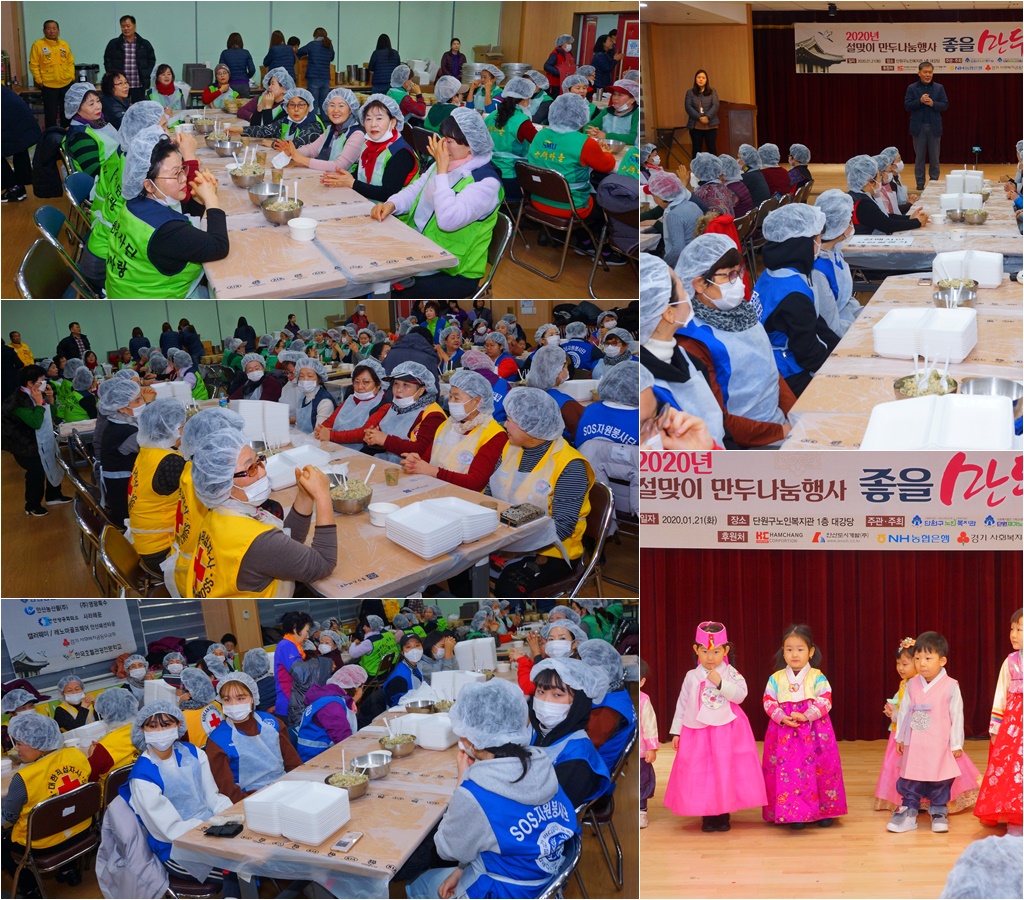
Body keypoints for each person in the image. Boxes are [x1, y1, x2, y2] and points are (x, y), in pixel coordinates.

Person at [406, 679, 578, 899]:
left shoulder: (475, 794)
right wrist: (463, 870)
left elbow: (447, 849)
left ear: (474, 741)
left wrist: (461, 785)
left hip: (503, 890)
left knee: (417, 884)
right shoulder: (542, 764)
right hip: (543, 879)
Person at [188, 430, 338, 598]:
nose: (263, 472)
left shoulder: (221, 514)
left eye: (259, 461)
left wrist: (305, 496)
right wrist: (323, 495)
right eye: (251, 468)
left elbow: (285, 544)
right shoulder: (255, 541)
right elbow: (324, 564)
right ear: (223, 485)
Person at [676, 234, 793, 447]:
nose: (738, 281)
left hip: (776, 423)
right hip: (744, 440)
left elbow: (770, 371)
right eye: (729, 275)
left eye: (739, 272)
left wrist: (794, 414)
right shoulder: (692, 341)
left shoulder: (743, 314)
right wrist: (781, 432)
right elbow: (716, 418)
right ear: (700, 284)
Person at [479, 388, 593, 596]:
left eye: (510, 420)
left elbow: (562, 527)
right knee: (460, 565)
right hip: (505, 537)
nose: (504, 424)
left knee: (510, 586)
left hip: (551, 549)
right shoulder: (510, 447)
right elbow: (489, 493)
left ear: (530, 427)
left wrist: (515, 547)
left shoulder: (570, 465)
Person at [664, 621, 765, 832]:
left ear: (725, 651)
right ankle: (708, 814)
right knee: (701, 771)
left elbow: (741, 695)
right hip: (697, 730)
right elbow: (682, 702)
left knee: (724, 769)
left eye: (716, 651)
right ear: (696, 650)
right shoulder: (691, 676)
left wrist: (720, 683)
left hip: (725, 730)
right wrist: (676, 731)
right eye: (705, 651)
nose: (710, 657)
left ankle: (724, 812)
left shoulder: (731, 673)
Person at [107, 128, 229, 298]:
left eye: (182, 169)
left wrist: (198, 201)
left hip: (127, 292)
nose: (184, 178)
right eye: (175, 174)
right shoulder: (166, 230)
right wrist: (211, 200)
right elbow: (219, 247)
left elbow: (182, 221)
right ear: (148, 185)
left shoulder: (135, 202)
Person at [122, 702, 233, 887]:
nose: (160, 731)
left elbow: (211, 796)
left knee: (248, 857)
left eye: (166, 724)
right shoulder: (143, 776)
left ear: (178, 725)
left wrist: (230, 815)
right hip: (175, 848)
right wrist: (213, 830)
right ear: (142, 730)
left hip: (212, 828)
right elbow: (170, 829)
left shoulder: (193, 753)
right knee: (236, 871)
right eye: (152, 726)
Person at [888, 632, 977, 835]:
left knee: (940, 778)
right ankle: (909, 811)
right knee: (911, 776)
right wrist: (900, 737)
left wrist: (956, 744)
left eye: (928, 658)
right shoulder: (912, 684)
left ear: (942, 660)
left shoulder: (951, 686)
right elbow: (904, 712)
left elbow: (957, 716)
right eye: (918, 658)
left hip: (939, 743)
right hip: (915, 743)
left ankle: (938, 811)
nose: (922, 664)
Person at [762, 624, 847, 828]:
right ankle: (794, 812)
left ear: (810, 652)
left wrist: (807, 715)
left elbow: (826, 700)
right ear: (783, 652)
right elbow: (768, 701)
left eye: (800, 649)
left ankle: (825, 810)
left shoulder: (817, 676)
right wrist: (782, 717)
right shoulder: (776, 678)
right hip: (784, 730)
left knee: (821, 767)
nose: (794, 654)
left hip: (815, 730)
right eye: (789, 649)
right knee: (789, 770)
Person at [751, 203, 840, 398]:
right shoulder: (793, 296)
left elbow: (813, 321)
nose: (820, 243)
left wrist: (840, 348)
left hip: (775, 359)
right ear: (803, 244)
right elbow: (808, 354)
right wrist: (839, 367)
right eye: (818, 238)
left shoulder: (774, 273)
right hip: (785, 374)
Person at [639, 254, 724, 447]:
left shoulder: (685, 357)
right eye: (683, 289)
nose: (689, 295)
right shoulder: (649, 394)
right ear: (669, 313)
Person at [2, 713, 91, 893]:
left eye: (19, 743)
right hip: (81, 829)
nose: (15, 748)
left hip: (42, 845)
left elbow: (9, 816)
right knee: (63, 811)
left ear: (38, 744)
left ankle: (30, 889)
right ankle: (69, 870)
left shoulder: (24, 778)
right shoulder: (76, 754)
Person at [401, 369, 507, 492]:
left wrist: (432, 471)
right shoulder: (448, 424)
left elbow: (475, 482)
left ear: (477, 401)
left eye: (456, 398)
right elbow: (428, 458)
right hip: (434, 488)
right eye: (450, 396)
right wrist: (416, 463)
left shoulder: (494, 434)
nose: (451, 402)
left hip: (465, 497)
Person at [527, 93, 616, 236]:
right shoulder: (584, 142)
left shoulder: (540, 135)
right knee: (607, 204)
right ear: (582, 115)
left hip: (538, 200)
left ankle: (556, 235)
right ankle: (586, 241)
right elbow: (607, 166)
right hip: (573, 207)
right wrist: (606, 152)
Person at [204, 673, 301, 803]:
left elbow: (293, 763)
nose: (234, 704)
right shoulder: (218, 740)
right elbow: (227, 791)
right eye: (227, 700)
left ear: (253, 698)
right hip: (251, 800)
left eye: (240, 698)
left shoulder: (271, 723)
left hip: (285, 787)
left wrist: (296, 787)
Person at [528, 658, 611, 808]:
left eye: (557, 695)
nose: (545, 701)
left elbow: (553, 809)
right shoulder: (543, 731)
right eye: (541, 692)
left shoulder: (578, 761)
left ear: (577, 702)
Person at [975, 608, 1023, 834]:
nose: (1013, 634)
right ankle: (1016, 817)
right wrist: (995, 727)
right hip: (1013, 730)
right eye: (1012, 629)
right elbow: (1000, 695)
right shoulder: (1010, 662)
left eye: (1019, 629)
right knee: (1012, 769)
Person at [1, 365, 71, 516]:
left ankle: (53, 495)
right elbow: (35, 422)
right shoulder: (17, 402)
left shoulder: (36, 394)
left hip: (41, 439)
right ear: (30, 383)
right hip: (23, 445)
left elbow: (50, 415)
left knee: (53, 462)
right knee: (36, 470)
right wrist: (39, 403)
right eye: (41, 381)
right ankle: (32, 505)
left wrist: (50, 399)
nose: (44, 383)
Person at [321, 94, 417, 203]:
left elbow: (388, 193)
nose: (373, 124)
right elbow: (361, 176)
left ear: (393, 122)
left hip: (393, 212)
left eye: (379, 118)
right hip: (367, 203)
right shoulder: (368, 145)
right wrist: (343, 178)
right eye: (368, 119)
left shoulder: (401, 153)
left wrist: (352, 183)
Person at [127, 398, 186, 568]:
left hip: (143, 541)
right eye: (183, 425)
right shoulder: (170, 462)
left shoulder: (148, 451)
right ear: (174, 429)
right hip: (161, 549)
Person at [363, 361, 446, 463]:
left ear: (421, 390)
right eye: (396, 384)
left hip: (412, 468)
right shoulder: (396, 407)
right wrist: (373, 437)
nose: (399, 390)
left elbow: (421, 449)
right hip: (387, 462)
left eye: (406, 385)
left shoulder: (433, 415)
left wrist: (384, 440)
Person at [579, 639, 636, 772]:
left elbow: (585, 748)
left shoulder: (606, 712)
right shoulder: (617, 691)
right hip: (593, 760)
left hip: (592, 770)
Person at [812, 189, 861, 338]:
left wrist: (866, 316)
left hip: (845, 320)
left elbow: (845, 298)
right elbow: (830, 326)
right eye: (849, 219)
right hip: (835, 335)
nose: (852, 223)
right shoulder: (818, 270)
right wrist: (859, 330)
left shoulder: (834, 251)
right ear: (840, 225)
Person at [282, 87, 365, 172]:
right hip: (326, 176)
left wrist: (302, 159)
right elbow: (312, 149)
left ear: (351, 110)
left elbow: (339, 166)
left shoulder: (357, 135)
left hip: (342, 180)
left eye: (341, 106)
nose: (335, 110)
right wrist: (292, 152)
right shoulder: (331, 130)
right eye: (332, 105)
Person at [295, 665, 366, 762]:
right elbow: (343, 739)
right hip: (316, 758)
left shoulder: (329, 696)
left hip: (323, 753)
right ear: (356, 688)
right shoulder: (332, 706)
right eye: (362, 688)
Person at [484, 76, 538, 202]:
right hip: (512, 178)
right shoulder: (522, 122)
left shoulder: (491, 116)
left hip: (490, 174)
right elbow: (538, 143)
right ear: (526, 99)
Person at [845, 154, 928, 236]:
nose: (880, 180)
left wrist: (909, 218)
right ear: (870, 181)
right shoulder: (863, 204)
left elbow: (883, 217)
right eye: (879, 177)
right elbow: (887, 225)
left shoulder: (857, 195)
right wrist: (917, 222)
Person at [315, 358, 388, 448]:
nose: (360, 386)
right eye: (356, 382)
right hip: (338, 445)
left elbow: (364, 433)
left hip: (363, 451)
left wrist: (331, 435)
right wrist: (321, 429)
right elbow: (332, 420)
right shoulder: (351, 398)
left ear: (378, 384)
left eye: (366, 382)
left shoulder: (384, 404)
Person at [525, 344, 585, 445]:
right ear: (558, 370)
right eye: (565, 366)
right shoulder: (567, 405)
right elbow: (583, 432)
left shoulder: (526, 395)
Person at [904, 61, 948, 191]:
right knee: (919, 158)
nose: (928, 75)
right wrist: (920, 101)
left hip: (934, 127)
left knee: (935, 158)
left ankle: (934, 182)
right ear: (919, 73)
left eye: (930, 72)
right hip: (918, 128)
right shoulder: (912, 88)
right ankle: (920, 183)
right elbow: (907, 105)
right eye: (925, 72)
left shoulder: (939, 88)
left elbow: (945, 105)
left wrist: (933, 104)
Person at [645, 171, 701, 269]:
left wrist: (662, 265)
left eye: (653, 195)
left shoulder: (674, 215)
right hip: (696, 259)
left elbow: (677, 249)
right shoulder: (692, 205)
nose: (653, 198)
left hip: (683, 265)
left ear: (660, 197)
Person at [63, 82, 120, 177]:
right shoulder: (80, 137)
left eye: (98, 101)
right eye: (91, 104)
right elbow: (94, 173)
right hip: (107, 181)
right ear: (77, 109)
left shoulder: (99, 123)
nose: (98, 106)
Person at [86, 688, 138, 785]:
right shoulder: (145, 729)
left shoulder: (104, 748)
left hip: (114, 791)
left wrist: (92, 756)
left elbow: (90, 780)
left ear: (105, 714)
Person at [239, 87, 323, 148]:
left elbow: (297, 145)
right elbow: (266, 130)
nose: (296, 109)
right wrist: (239, 129)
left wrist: (273, 144)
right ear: (286, 107)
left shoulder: (313, 125)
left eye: (301, 105)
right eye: (292, 105)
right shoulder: (287, 120)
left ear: (308, 108)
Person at [29, 19, 74, 128]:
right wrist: (39, 81)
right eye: (49, 28)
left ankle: (66, 134)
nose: (52, 31)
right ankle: (51, 136)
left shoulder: (64, 44)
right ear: (44, 31)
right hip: (49, 85)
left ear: (58, 30)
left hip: (65, 83)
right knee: (50, 115)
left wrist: (71, 76)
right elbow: (34, 65)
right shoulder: (38, 45)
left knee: (66, 113)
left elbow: (70, 62)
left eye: (54, 28)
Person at [103, 15, 156, 103]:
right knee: (120, 107)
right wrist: (112, 75)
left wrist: (146, 72)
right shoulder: (114, 44)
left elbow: (151, 60)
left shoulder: (144, 44)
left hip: (138, 84)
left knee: (138, 107)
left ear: (134, 27)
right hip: (120, 86)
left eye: (128, 26)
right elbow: (107, 60)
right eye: (123, 26)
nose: (125, 28)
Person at [1, 86, 40, 203]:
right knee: (20, 148)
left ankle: (14, 188)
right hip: (18, 119)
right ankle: (19, 188)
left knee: (17, 147)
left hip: (11, 119)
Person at [586, 78, 639, 146]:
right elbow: (590, 126)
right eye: (614, 94)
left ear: (632, 99)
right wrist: (592, 132)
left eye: (620, 95)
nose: (615, 98)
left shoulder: (636, 114)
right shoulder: (607, 111)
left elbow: (634, 138)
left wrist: (606, 136)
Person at [297, 28, 334, 113]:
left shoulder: (313, 44)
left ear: (315, 36)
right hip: (325, 78)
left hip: (314, 78)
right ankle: (325, 121)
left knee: (313, 103)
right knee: (324, 104)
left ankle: (313, 120)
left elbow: (299, 51)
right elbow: (332, 57)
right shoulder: (329, 46)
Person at [294, 358, 335, 434]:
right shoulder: (303, 397)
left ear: (319, 379)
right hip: (303, 438)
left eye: (310, 376)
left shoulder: (325, 402)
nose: (305, 379)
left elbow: (318, 433)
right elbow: (299, 425)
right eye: (301, 376)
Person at [684, 70, 718, 156]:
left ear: (706, 80)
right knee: (696, 149)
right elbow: (688, 107)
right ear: (695, 79)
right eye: (699, 77)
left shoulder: (712, 91)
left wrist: (707, 117)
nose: (701, 79)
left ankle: (715, 165)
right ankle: (696, 165)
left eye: (703, 78)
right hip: (695, 124)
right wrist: (699, 117)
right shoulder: (690, 92)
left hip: (710, 124)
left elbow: (715, 105)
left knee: (712, 148)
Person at [218, 33, 255, 98]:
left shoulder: (225, 53)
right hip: (244, 85)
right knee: (245, 104)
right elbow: (252, 70)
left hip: (229, 85)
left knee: (229, 104)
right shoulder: (246, 53)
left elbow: (221, 70)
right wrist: (246, 77)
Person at [718, 154, 753, 218]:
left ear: (723, 174)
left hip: (738, 222)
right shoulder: (739, 184)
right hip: (747, 220)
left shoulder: (729, 191)